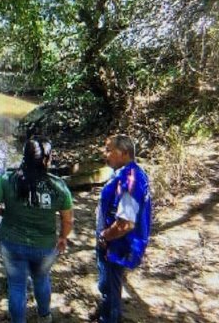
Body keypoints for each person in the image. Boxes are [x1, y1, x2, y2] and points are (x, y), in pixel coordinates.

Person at [0, 137, 73, 323]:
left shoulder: (7, 179)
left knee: (17, 285)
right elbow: (67, 219)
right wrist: (63, 237)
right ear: (46, 160)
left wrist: (2, 212)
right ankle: (44, 316)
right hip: (44, 246)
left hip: (12, 244)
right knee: (41, 279)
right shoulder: (58, 186)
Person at [93, 135, 152, 323]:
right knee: (107, 283)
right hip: (116, 242)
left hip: (117, 245)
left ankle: (109, 317)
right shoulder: (128, 173)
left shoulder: (130, 181)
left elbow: (125, 224)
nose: (105, 154)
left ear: (125, 153)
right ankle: (105, 309)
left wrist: (104, 236)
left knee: (110, 287)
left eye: (109, 150)